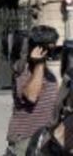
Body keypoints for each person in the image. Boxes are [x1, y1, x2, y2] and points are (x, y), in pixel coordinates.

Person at [5, 25, 59, 156]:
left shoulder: (46, 71)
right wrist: (39, 63)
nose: (53, 49)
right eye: (49, 46)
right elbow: (31, 96)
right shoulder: (23, 69)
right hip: (26, 139)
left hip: (45, 136)